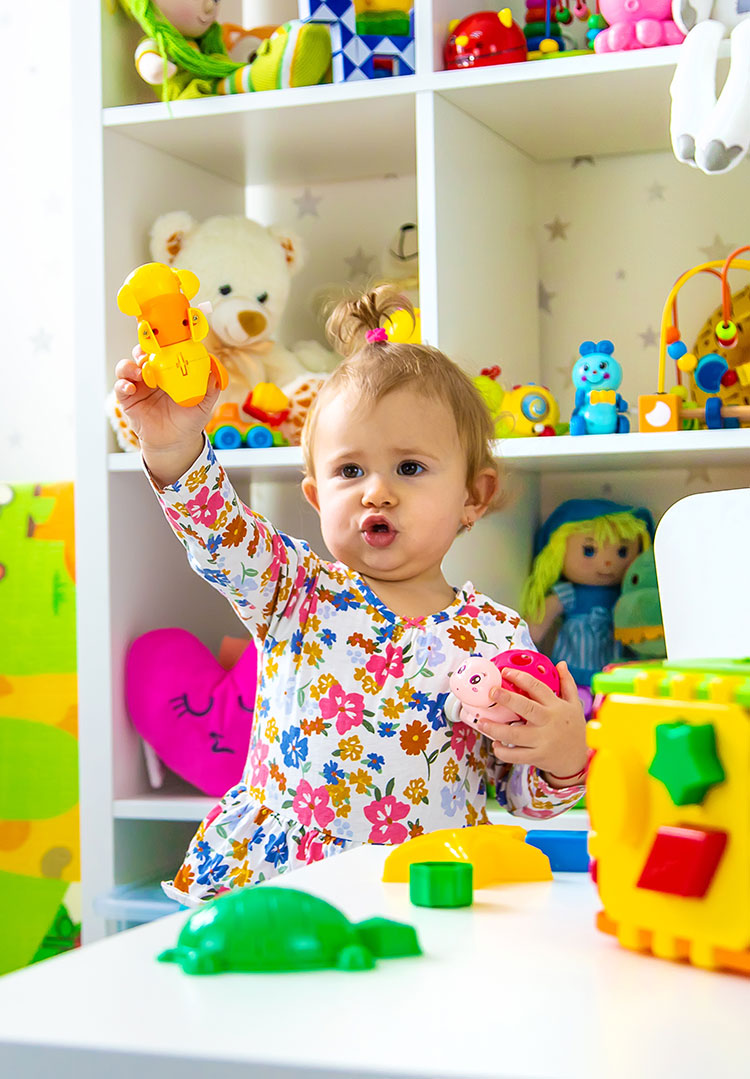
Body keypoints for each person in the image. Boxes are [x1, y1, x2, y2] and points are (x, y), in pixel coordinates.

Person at [114, 287, 589, 905]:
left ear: (473, 496)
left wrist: (561, 757)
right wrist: (173, 446)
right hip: (288, 890)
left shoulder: (498, 634)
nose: (377, 493)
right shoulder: (292, 589)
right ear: (316, 497)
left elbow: (519, 793)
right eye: (350, 471)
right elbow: (216, 530)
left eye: (410, 469)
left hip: (434, 895)